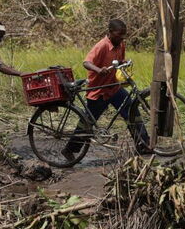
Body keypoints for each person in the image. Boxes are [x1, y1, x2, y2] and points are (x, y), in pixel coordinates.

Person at [62, 18, 150, 161]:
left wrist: (124, 63)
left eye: (123, 35)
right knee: (86, 123)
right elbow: (86, 62)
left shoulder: (120, 44)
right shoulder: (102, 46)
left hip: (114, 88)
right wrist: (98, 70)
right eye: (118, 34)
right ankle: (69, 149)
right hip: (99, 91)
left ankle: (143, 144)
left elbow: (118, 61)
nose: (121, 37)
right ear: (110, 32)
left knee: (132, 112)